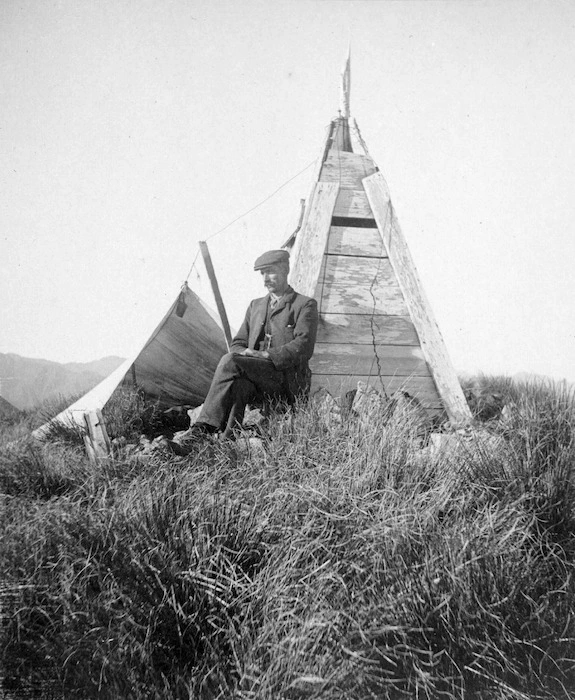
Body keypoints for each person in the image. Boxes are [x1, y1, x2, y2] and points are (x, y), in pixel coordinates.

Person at [189, 249, 318, 440]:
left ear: (285, 270)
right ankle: (228, 439)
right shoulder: (255, 306)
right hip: (258, 378)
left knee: (230, 361)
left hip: (285, 380)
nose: (266, 279)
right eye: (262, 274)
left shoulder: (304, 304)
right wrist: (248, 352)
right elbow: (238, 343)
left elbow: (304, 346)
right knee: (239, 384)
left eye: (271, 272)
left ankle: (203, 426)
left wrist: (266, 355)